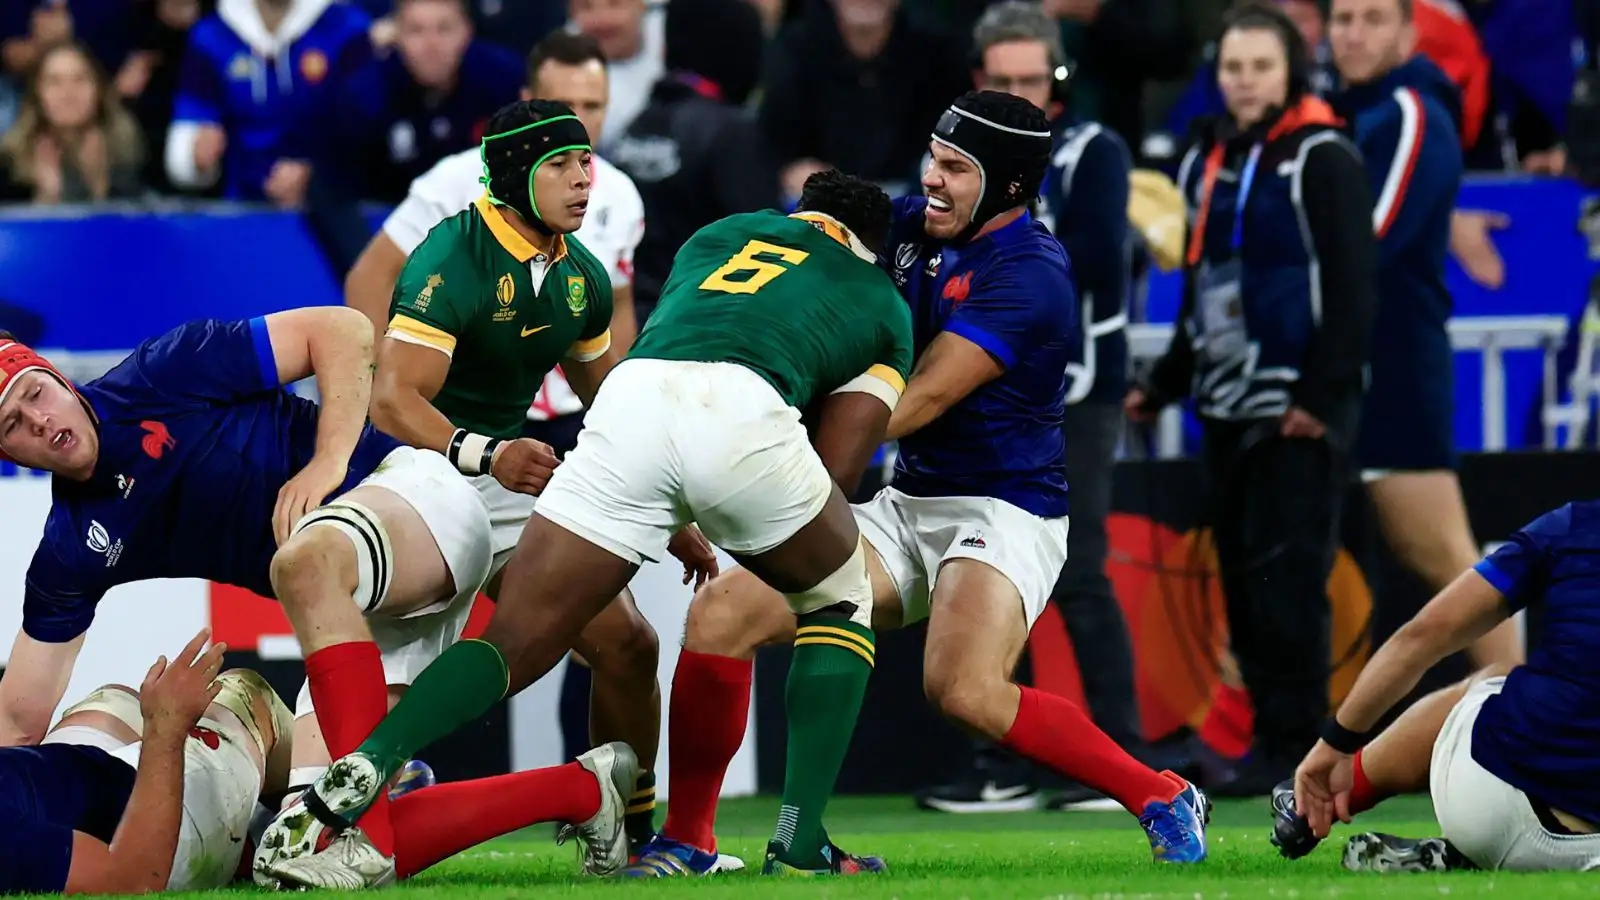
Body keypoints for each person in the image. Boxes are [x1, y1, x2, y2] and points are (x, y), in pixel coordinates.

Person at [257, 166, 916, 889]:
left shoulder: (721, 237)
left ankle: (369, 763)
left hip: (631, 400)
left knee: (515, 638)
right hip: (745, 409)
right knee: (840, 595)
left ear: (798, 214)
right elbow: (839, 470)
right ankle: (798, 843)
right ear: (870, 248)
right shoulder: (881, 299)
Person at [622, 90, 1208, 880]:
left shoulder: (1032, 275)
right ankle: (695, 840)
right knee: (723, 610)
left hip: (1005, 510)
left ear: (1007, 187)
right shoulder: (907, 222)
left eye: (957, 167)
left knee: (963, 690)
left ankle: (1161, 794)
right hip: (906, 501)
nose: (933, 178)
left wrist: (762, 424)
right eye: (934, 155)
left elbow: (918, 398)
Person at [0, 307, 636, 879]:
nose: (39, 421)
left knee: (303, 561)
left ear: (56, 375)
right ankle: (584, 789)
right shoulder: (69, 547)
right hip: (358, 613)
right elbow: (20, 720)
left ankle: (663, 828)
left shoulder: (161, 373)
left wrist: (328, 461)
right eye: (14, 425)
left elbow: (344, 330)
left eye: (36, 394)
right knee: (314, 844)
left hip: (409, 494)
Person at [343, 92, 668, 858]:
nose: (586, 179)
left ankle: (631, 831)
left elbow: (609, 406)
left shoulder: (578, 273)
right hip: (416, 476)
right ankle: (326, 802)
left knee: (629, 644)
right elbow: (392, 401)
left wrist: (675, 515)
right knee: (381, 695)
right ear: (519, 176)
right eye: (562, 164)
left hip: (500, 481)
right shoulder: (450, 256)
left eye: (587, 158)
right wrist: (489, 453)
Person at [1128, 2, 1378, 796]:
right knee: (1242, 583)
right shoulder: (1208, 162)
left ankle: (1299, 754)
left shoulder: (1323, 155)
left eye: (1260, 67)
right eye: (1233, 68)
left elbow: (1353, 288)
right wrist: (1164, 382)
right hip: (1225, 408)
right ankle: (1270, 744)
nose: (1244, 81)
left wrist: (1319, 393)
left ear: (1290, 70)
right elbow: (1204, 289)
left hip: (1296, 413)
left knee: (1291, 587)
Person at [914, 0, 1146, 815]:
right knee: (980, 585)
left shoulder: (1094, 152)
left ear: (1058, 83)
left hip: (1069, 384)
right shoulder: (956, 170)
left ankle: (1119, 754)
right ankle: (1004, 763)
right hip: (990, 372)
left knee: (1077, 573)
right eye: (1003, 79)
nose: (1021, 93)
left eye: (1032, 80)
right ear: (980, 81)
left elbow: (1099, 269)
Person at [4, 631, 646, 893]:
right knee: (293, 842)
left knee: (126, 699)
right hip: (151, 816)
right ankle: (580, 788)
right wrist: (166, 735)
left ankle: (331, 802)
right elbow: (131, 879)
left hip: (78, 757)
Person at [1327, 0, 1521, 672]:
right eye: (1343, 18)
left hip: (1396, 361)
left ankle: (1522, 706)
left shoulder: (1409, 111)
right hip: (1356, 359)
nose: (1353, 33)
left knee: (1440, 551)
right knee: (1420, 551)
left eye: (1373, 19)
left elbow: (1367, 242)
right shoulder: (1354, 109)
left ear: (1409, 34)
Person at [1276, 500, 1600, 873]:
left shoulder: (1573, 527)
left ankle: (1328, 799)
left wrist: (1334, 744)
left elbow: (1423, 636)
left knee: (1501, 678)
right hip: (1585, 846)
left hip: (1486, 801)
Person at [0, 40, 145, 203]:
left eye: (80, 79)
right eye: (54, 82)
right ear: (37, 95)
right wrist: (48, 196)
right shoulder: (8, 163)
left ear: (99, 89)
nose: (68, 93)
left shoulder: (131, 148)